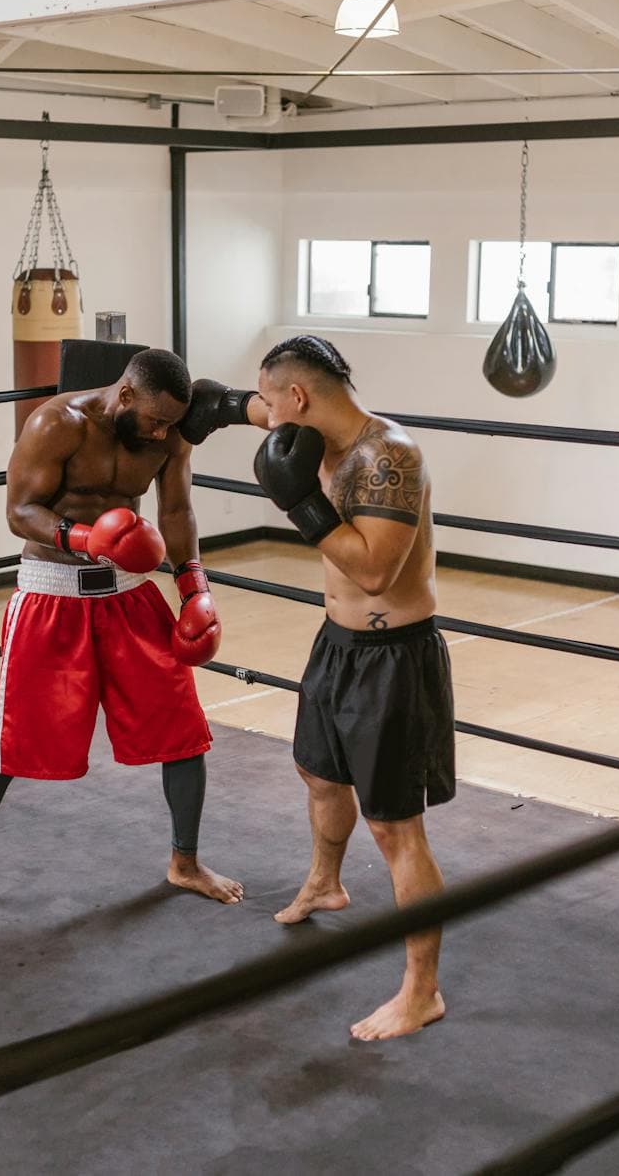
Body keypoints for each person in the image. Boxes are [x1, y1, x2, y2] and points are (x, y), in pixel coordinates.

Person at [183, 335, 453, 1041]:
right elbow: (228, 404)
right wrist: (205, 408)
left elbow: (374, 574)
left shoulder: (388, 456)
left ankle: (421, 990)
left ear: (298, 398)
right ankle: (326, 881)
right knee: (318, 771)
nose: (264, 416)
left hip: (393, 656)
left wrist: (301, 503)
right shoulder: (313, 433)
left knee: (395, 827)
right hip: (336, 645)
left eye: (270, 403)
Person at [0, 348, 243, 931]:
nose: (161, 432)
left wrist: (194, 584)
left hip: (128, 593)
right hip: (52, 595)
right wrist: (85, 537)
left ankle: (185, 862)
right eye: (153, 420)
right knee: (8, 744)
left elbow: (175, 511)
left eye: (171, 423)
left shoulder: (169, 437)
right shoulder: (56, 423)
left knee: (181, 730)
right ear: (125, 395)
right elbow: (20, 511)